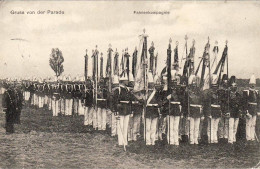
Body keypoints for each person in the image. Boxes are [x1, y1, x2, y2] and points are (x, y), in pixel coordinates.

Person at [243, 74, 260, 143]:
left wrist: (258, 110)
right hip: (249, 109)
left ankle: (252, 137)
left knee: (253, 124)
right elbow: (245, 102)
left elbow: (258, 102)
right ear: (249, 84)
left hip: (255, 110)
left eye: (254, 84)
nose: (253, 85)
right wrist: (246, 111)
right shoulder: (246, 92)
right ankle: (248, 137)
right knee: (248, 124)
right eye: (251, 84)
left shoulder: (257, 92)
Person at [188, 74, 203, 145]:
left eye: (196, 84)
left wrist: (202, 114)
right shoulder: (189, 92)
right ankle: (191, 139)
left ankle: (195, 139)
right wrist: (188, 114)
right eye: (193, 84)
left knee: (197, 127)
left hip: (198, 111)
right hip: (192, 110)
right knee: (192, 127)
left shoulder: (200, 92)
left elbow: (201, 104)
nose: (195, 86)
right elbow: (188, 104)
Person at [227, 76, 242, 144]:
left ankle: (233, 137)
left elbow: (240, 104)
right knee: (230, 126)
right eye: (232, 86)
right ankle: (230, 140)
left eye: (235, 86)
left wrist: (240, 110)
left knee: (235, 126)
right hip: (231, 111)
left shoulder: (238, 95)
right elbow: (226, 104)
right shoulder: (228, 95)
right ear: (230, 87)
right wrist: (227, 111)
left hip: (237, 112)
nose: (234, 87)